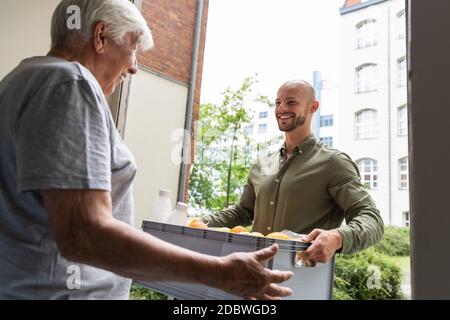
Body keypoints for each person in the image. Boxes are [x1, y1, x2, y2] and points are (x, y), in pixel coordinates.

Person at [0, 0, 293, 300]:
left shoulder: (16, 83)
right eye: (133, 48)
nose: (134, 67)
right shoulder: (71, 83)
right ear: (100, 37)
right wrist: (219, 272)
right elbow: (84, 233)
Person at [202, 79, 384, 263]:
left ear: (313, 106)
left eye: (291, 102)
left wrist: (338, 237)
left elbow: (371, 219)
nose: (281, 108)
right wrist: (200, 222)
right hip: (250, 274)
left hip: (300, 281)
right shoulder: (263, 164)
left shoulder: (333, 163)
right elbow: (242, 212)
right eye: (278, 103)